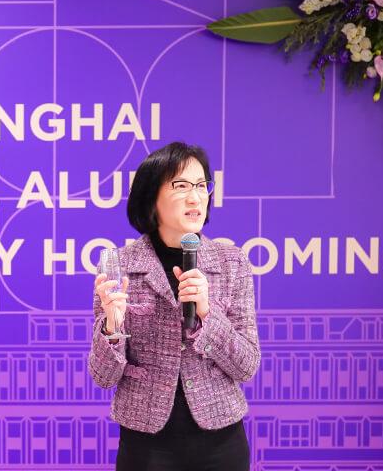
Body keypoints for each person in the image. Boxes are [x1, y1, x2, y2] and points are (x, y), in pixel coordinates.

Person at [86, 142, 260, 470]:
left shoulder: (232, 263)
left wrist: (207, 313)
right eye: (181, 186)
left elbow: (247, 366)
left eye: (201, 185)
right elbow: (103, 376)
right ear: (151, 197)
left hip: (220, 440)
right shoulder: (120, 267)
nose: (195, 197)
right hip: (147, 442)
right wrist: (111, 326)